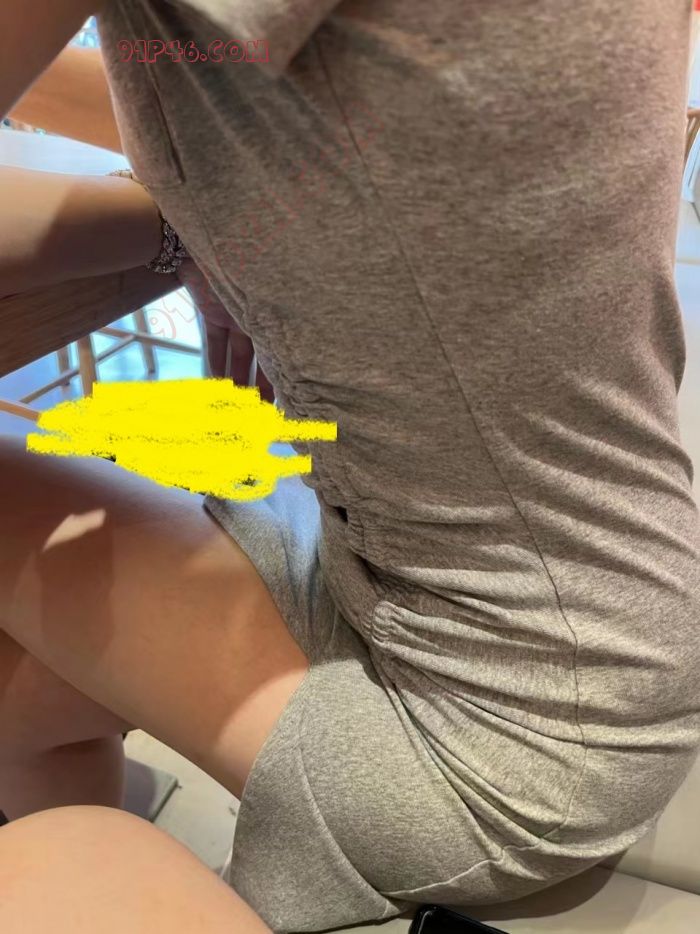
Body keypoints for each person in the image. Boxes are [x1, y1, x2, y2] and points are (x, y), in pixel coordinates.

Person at [1, 2, 700, 933]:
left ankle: (94, 876)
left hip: (517, 726)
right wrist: (190, 222)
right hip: (586, 607)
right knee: (22, 690)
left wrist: (180, 230)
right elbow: (233, 89)